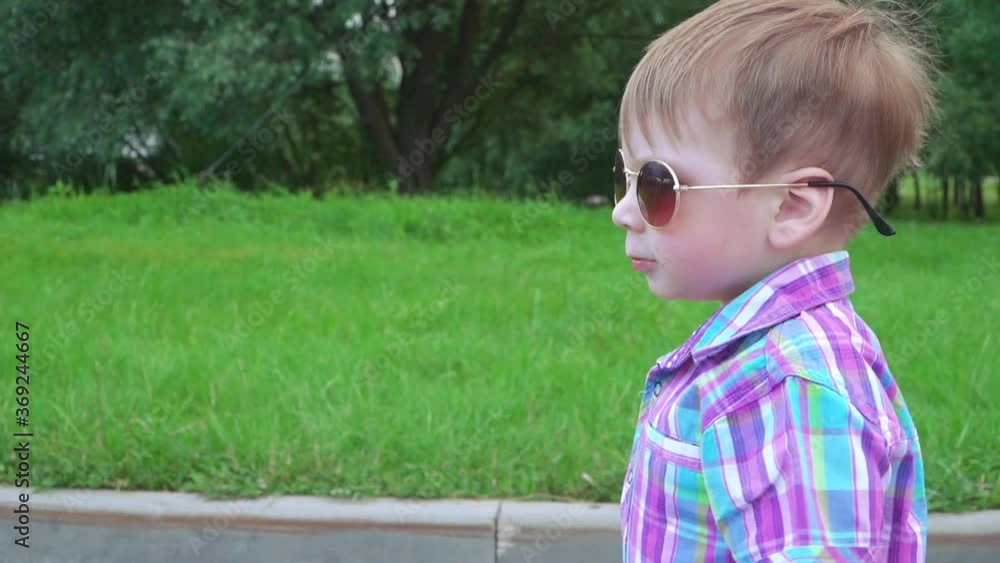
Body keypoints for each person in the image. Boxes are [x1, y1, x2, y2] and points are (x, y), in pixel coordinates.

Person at [611, 0, 935, 561]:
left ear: (790, 206)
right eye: (624, 175)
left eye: (656, 186)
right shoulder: (761, 357)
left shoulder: (788, 383)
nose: (622, 211)